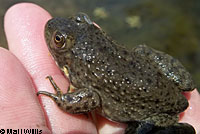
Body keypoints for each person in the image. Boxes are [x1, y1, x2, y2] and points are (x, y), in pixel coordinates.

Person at [0, 3, 199, 134]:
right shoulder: (86, 60)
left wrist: (62, 100)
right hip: (158, 82)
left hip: (155, 114)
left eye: (58, 40)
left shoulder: (82, 68)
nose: (55, 37)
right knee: (141, 50)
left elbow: (91, 99)